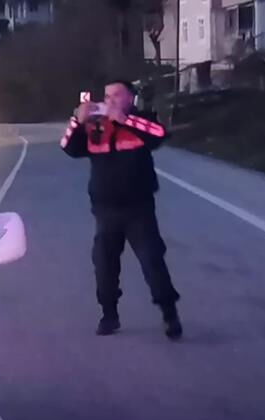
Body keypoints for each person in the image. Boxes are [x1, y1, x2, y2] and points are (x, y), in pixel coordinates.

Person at [61, 79, 182, 339]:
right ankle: (109, 315)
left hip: (139, 208)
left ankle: (169, 313)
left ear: (130, 98)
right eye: (107, 96)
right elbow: (68, 147)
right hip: (105, 209)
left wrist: (125, 120)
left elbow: (159, 135)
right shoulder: (95, 125)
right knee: (104, 264)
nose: (110, 100)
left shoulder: (142, 120)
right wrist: (77, 121)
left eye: (117, 95)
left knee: (152, 261)